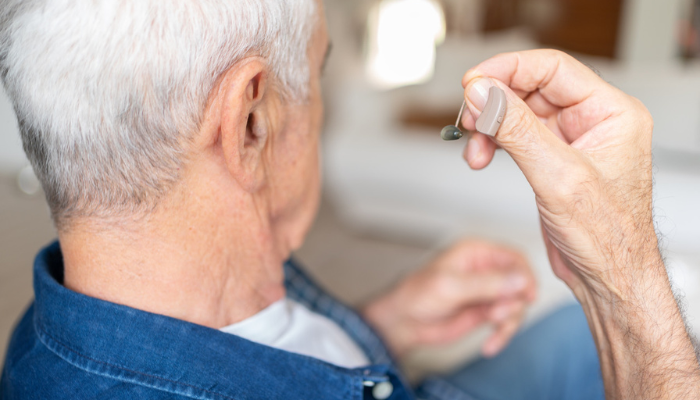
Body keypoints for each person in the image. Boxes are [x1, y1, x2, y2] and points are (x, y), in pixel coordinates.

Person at [0, 0, 697, 399]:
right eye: (319, 70)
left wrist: (382, 326)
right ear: (251, 123)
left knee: (574, 337)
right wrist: (624, 283)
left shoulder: (67, 315)